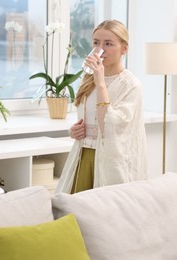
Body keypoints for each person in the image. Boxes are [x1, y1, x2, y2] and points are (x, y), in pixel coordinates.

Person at [55, 20, 148, 194]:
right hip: (84, 156)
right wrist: (75, 131)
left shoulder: (131, 85)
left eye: (109, 44)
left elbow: (110, 129)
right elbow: (90, 119)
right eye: (96, 43)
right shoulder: (88, 79)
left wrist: (101, 82)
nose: (101, 49)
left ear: (124, 49)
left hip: (110, 163)